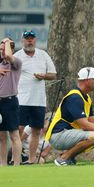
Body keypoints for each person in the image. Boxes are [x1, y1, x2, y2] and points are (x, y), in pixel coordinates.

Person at [45, 67, 94, 166]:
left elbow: (92, 121)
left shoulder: (86, 97)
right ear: (87, 81)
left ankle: (69, 157)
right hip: (58, 135)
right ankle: (64, 158)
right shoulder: (75, 97)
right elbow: (85, 125)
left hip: (68, 133)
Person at [14, 30, 56, 164]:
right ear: (22, 40)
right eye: (27, 38)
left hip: (38, 100)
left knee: (36, 130)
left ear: (35, 40)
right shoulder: (17, 56)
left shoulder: (43, 55)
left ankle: (32, 160)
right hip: (21, 98)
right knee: (19, 129)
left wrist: (43, 76)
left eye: (32, 38)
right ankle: (15, 158)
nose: (29, 41)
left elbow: (53, 74)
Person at [0, 38, 22, 166]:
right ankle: (3, 164)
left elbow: (8, 55)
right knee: (1, 135)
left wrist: (7, 41)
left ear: (11, 49)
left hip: (10, 101)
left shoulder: (16, 63)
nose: (2, 52)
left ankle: (16, 164)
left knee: (14, 134)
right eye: (0, 49)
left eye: (4, 49)